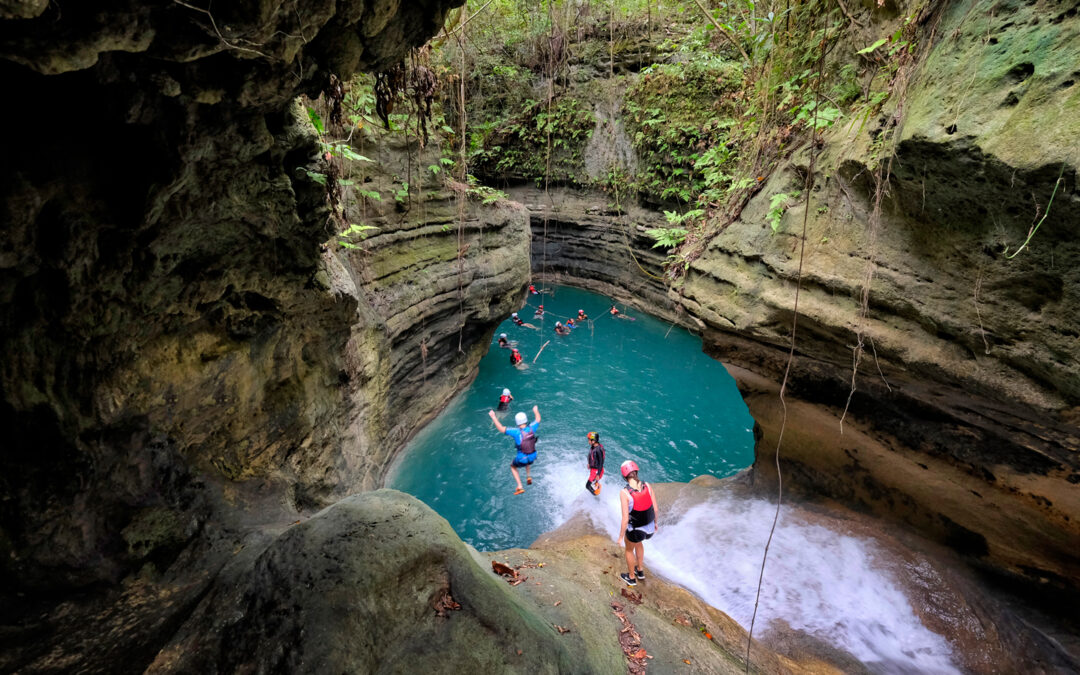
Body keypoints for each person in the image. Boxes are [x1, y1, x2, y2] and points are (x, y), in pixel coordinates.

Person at [617, 460, 657, 586]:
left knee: (629, 550)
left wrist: (620, 537)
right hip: (649, 529)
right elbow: (655, 509)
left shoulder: (625, 493)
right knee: (638, 543)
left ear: (624, 476)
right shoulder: (648, 486)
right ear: (637, 471)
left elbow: (625, 519)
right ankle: (640, 570)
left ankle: (631, 577)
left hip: (636, 531)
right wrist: (655, 523)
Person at [488, 406, 541, 494]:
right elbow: (538, 418)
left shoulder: (516, 432)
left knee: (513, 466)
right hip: (533, 456)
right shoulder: (532, 428)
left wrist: (494, 417)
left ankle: (520, 486)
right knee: (528, 458)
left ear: (517, 422)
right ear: (526, 420)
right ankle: (528, 476)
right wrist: (535, 410)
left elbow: (501, 428)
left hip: (522, 458)